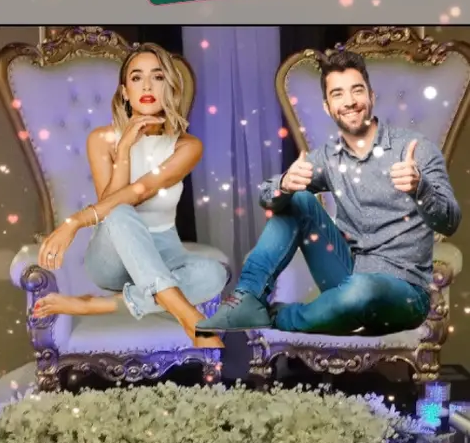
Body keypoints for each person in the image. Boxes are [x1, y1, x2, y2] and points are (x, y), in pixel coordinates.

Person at [195, 49, 461, 337]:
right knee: (297, 199)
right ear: (327, 106)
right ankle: (248, 297)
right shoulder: (328, 157)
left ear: (371, 96)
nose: (349, 101)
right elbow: (266, 195)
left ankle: (276, 317)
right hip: (347, 275)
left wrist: (420, 187)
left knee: (361, 288)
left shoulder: (416, 148)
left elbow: (450, 221)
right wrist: (284, 184)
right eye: (338, 94)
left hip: (405, 293)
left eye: (357, 90)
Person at [34, 42, 227, 349]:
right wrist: (123, 149)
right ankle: (191, 321)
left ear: (170, 87)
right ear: (125, 92)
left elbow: (142, 190)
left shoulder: (187, 146)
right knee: (120, 210)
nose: (147, 86)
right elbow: (111, 204)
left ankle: (95, 305)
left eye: (158, 77)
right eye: (137, 78)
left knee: (215, 274)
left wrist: (74, 222)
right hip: (111, 256)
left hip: (164, 249)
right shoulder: (102, 139)